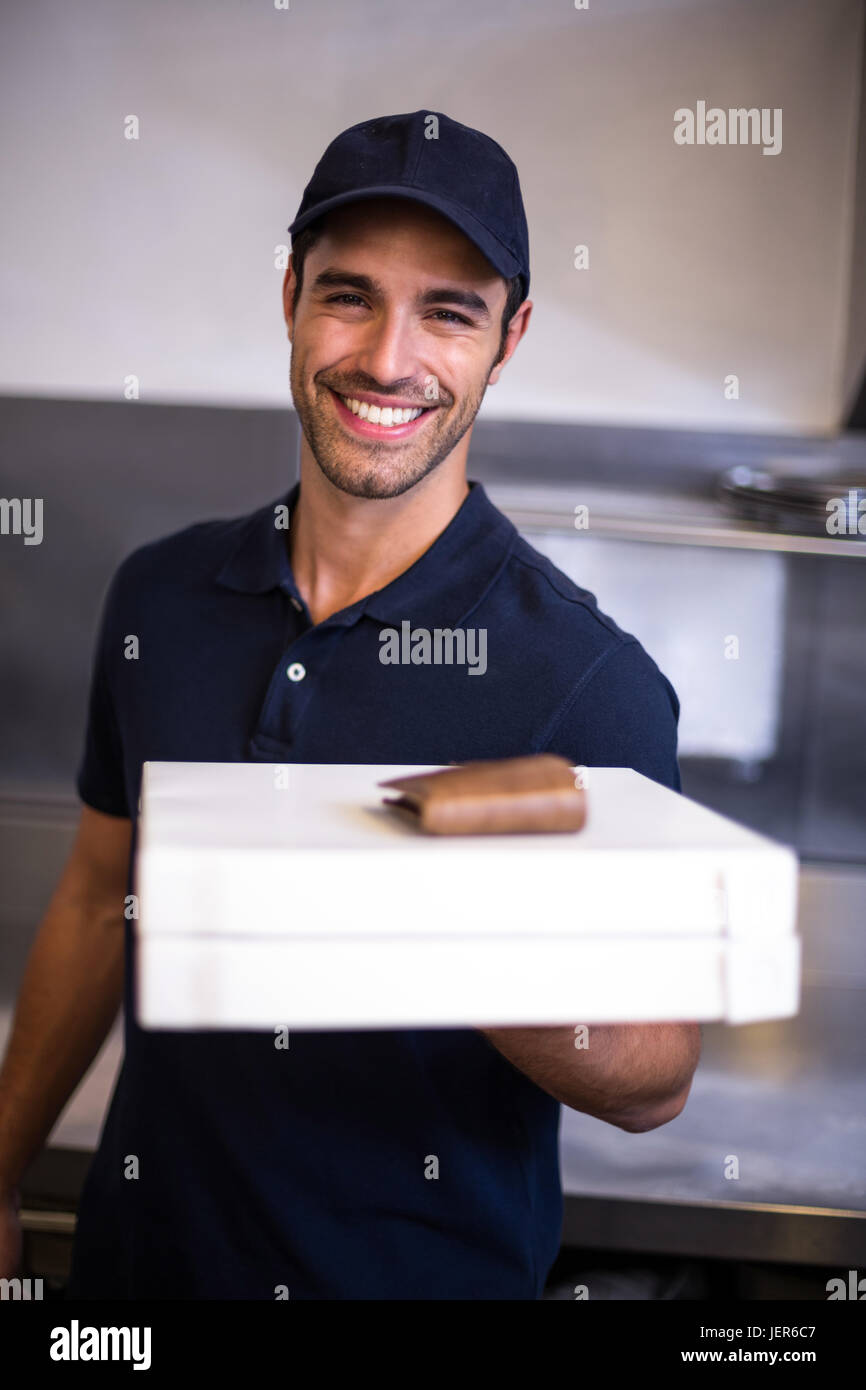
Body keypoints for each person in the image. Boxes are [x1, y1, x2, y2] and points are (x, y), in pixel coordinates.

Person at [0, 110, 700, 1300]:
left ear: (508, 338)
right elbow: (90, 899)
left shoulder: (583, 682)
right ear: (288, 297)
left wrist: (416, 921)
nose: (386, 359)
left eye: (447, 311)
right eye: (348, 296)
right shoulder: (160, 598)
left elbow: (652, 1075)